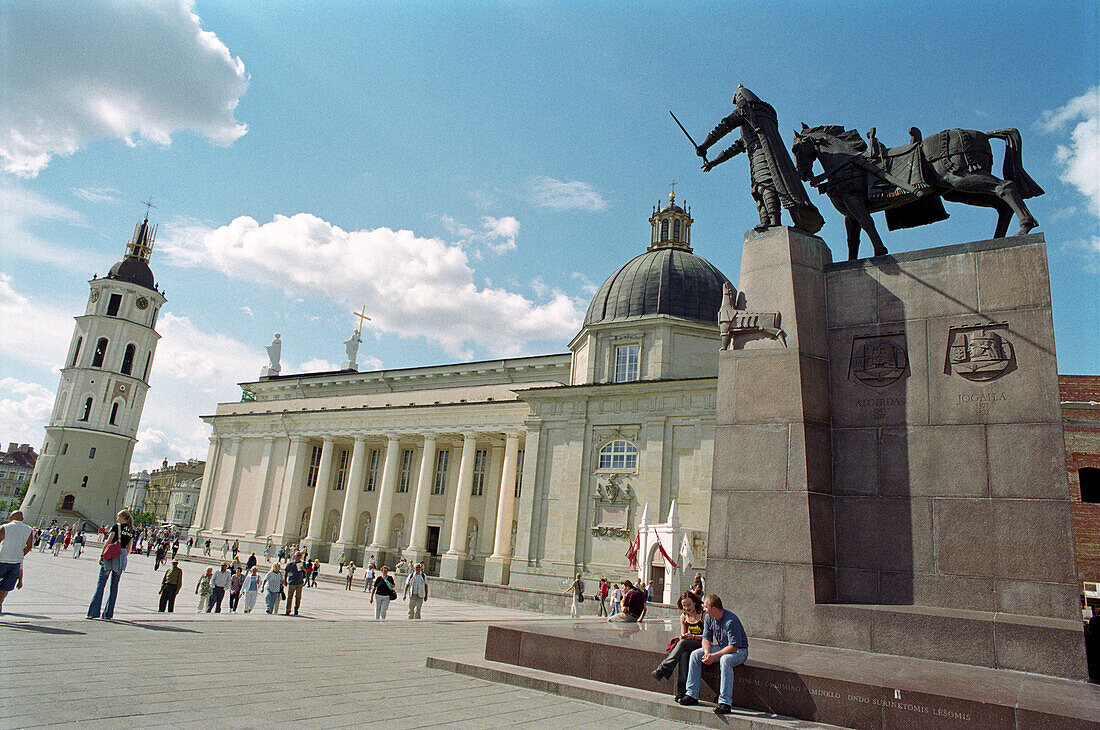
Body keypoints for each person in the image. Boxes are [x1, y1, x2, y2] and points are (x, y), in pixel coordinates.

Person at [679, 594, 749, 715]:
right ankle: (691, 694)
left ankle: (725, 702)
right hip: (722, 647)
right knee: (696, 655)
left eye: (706, 607)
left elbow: (733, 647)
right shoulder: (708, 618)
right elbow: (706, 639)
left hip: (739, 651)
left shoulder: (731, 621)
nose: (704, 609)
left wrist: (714, 656)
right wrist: (707, 653)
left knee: (725, 660)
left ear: (714, 609)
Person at [652, 592, 706, 701]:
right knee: (684, 655)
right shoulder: (683, 617)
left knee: (682, 644)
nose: (687, 608)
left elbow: (708, 637)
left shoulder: (703, 615)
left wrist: (693, 637)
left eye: (689, 605)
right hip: (688, 643)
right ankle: (681, 692)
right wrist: (684, 636)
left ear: (695, 603)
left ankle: (663, 668)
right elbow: (682, 636)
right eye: (684, 606)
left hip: (702, 643)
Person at [87, 510, 134, 620]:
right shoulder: (132, 530)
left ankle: (93, 612)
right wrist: (122, 556)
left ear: (122, 517)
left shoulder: (116, 527)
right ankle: (108, 613)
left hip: (111, 555)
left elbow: (108, 541)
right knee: (114, 586)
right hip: (121, 556)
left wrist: (102, 555)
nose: (117, 518)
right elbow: (128, 548)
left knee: (101, 583)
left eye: (118, 516)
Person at [0, 510, 33, 615]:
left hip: (2, 560)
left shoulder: (5, 527)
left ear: (10, 518)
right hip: (15, 563)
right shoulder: (29, 529)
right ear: (22, 519)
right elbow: (29, 546)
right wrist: (20, 555)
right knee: (4, 588)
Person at [284, 551, 305, 615]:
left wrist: (303, 569)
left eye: (300, 555)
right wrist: (285, 580)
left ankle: (296, 609)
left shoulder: (303, 564)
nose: (299, 557)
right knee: (290, 597)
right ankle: (288, 609)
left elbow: (306, 571)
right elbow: (286, 572)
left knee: (298, 597)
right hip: (292, 582)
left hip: (299, 583)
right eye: (298, 555)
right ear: (294, 556)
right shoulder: (290, 564)